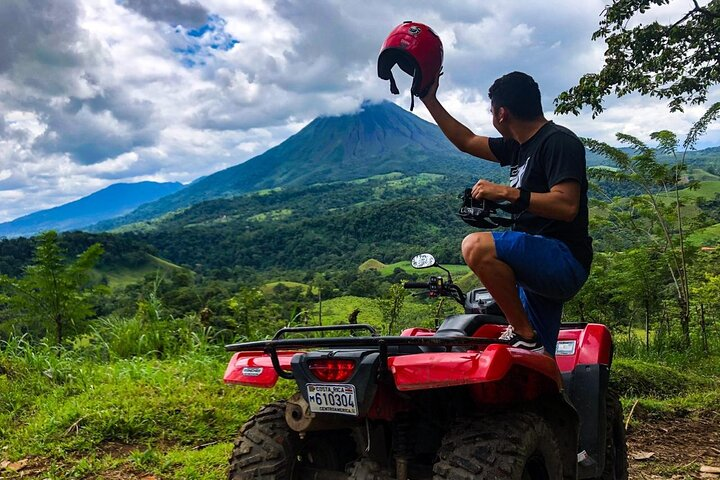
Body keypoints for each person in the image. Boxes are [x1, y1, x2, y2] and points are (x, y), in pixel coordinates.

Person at [420, 71, 592, 355]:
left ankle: (522, 332)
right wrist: (430, 100)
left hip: (563, 258)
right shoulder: (519, 147)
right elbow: (467, 140)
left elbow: (566, 206)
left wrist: (506, 192)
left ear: (501, 113)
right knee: (538, 358)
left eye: (491, 111)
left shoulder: (559, 141)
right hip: (535, 260)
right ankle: (544, 371)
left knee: (475, 246)